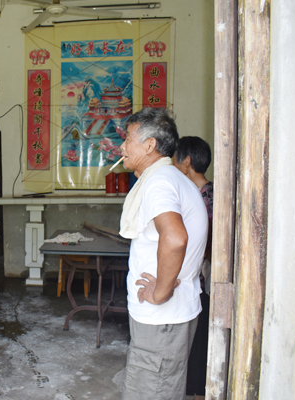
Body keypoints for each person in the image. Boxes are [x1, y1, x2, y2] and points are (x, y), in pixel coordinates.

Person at [119, 108, 208, 400]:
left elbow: (175, 238)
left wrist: (160, 292)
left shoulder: (159, 182)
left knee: (151, 391)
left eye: (128, 138)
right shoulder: (170, 177)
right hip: (167, 319)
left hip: (162, 319)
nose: (122, 147)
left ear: (150, 145)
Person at [173, 136, 213, 400]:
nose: (174, 168)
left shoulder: (206, 197)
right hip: (196, 279)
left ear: (187, 162)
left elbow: (209, 245)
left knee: (199, 343)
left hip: (203, 282)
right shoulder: (203, 193)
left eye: (176, 162)